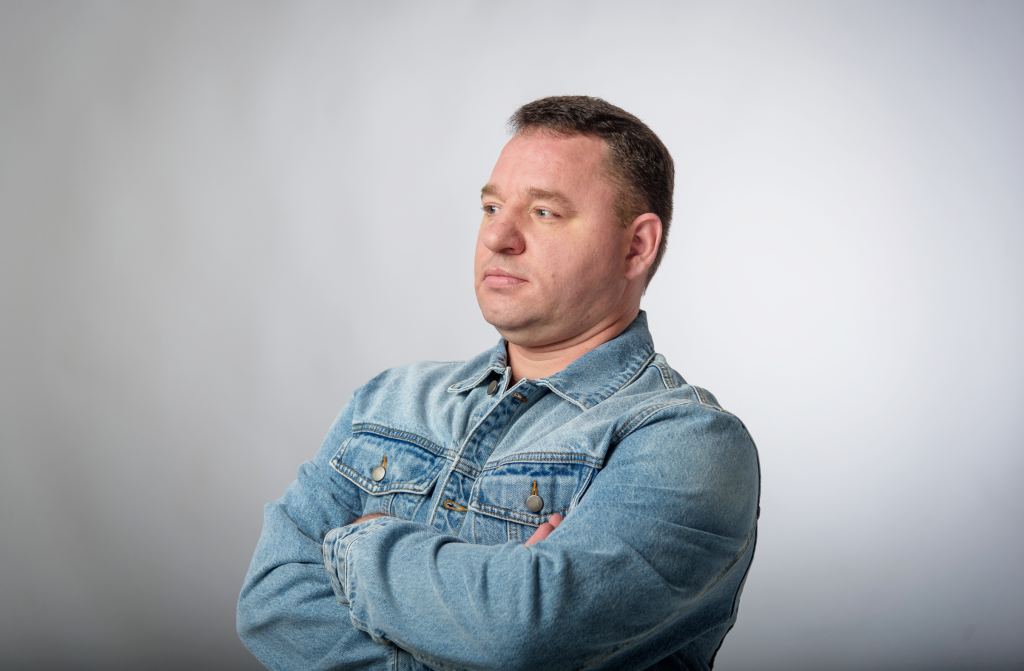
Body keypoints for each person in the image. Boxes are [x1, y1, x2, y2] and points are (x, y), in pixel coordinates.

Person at [237, 96, 760, 671]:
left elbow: (526, 631)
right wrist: (482, 618)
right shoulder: (388, 400)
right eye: (491, 207)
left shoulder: (690, 442)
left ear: (636, 246)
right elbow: (270, 602)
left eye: (544, 212)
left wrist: (358, 541)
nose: (498, 237)